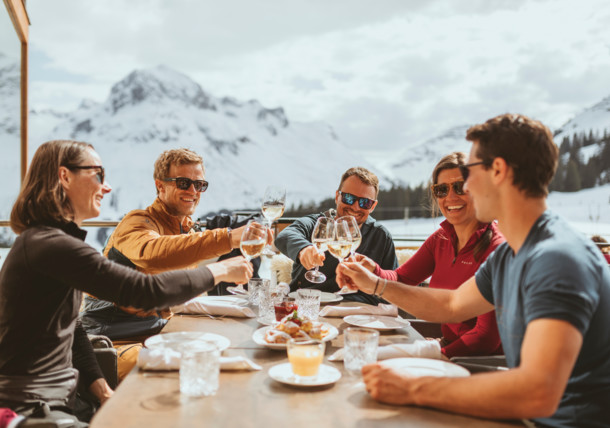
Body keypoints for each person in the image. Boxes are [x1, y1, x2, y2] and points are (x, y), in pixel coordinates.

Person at [337, 114, 610, 427]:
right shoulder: (511, 254)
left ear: (498, 171)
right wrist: (374, 284)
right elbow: (451, 305)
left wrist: (415, 388)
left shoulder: (557, 259)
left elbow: (538, 393)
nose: (463, 187)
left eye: (469, 173)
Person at [0, 140, 252, 426]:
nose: (105, 187)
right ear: (64, 177)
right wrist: (220, 270)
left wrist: (103, 390)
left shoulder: (50, 242)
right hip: (32, 408)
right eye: (98, 175)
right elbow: (143, 292)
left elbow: (72, 326)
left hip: (62, 400)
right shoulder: (50, 245)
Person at [80, 148, 268, 379]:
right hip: (113, 340)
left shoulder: (185, 227)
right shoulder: (137, 222)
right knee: (198, 367)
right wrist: (228, 238)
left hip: (156, 332)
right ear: (160, 186)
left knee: (226, 349)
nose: (193, 191)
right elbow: (154, 253)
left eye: (199, 185)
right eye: (183, 183)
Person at [354, 152, 504, 358]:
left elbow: (486, 337)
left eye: (460, 187)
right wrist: (373, 271)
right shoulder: (441, 239)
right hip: (448, 349)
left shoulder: (497, 249)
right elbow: (402, 279)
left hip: (483, 363)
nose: (450, 197)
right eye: (442, 189)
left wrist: (438, 352)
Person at [275, 167, 397, 305]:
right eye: (349, 198)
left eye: (365, 202)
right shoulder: (317, 224)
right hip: (309, 305)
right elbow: (285, 235)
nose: (356, 207)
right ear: (337, 196)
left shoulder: (381, 236)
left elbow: (392, 289)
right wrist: (304, 249)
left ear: (373, 206)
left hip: (357, 314)